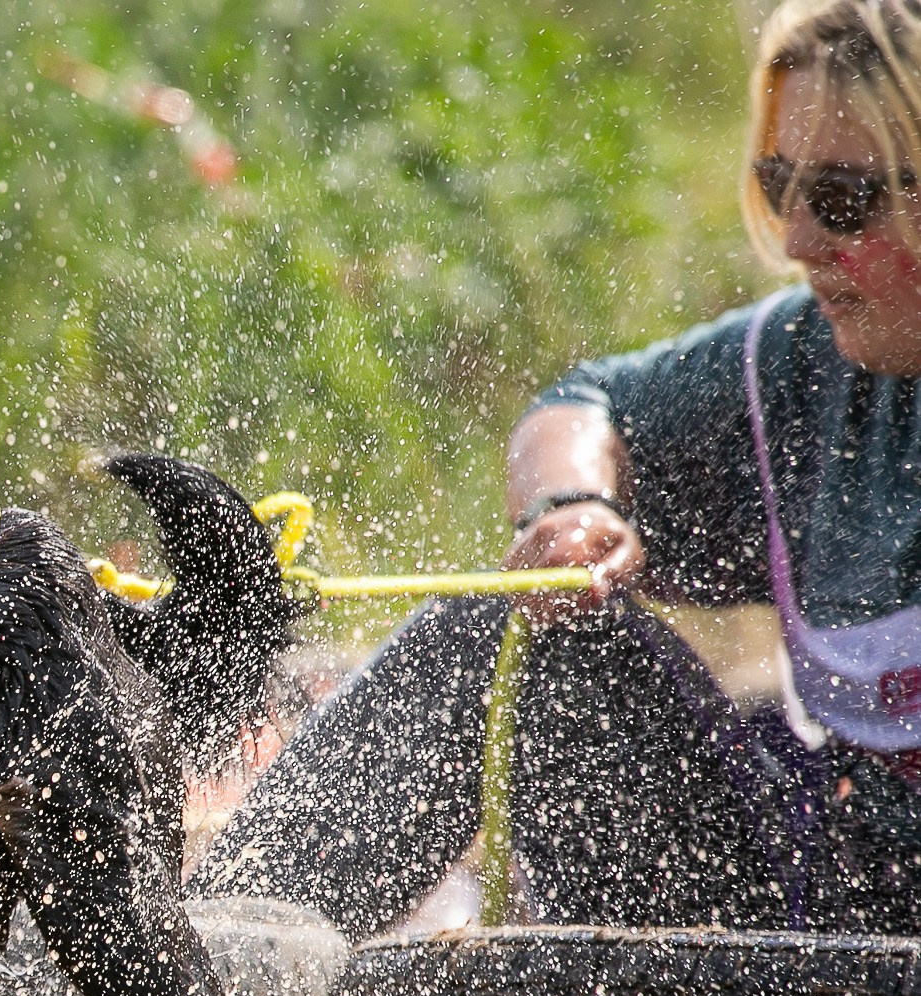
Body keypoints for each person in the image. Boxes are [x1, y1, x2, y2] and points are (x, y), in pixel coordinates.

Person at [191, 0, 921, 939]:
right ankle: (204, 958)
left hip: (883, 992)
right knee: (529, 624)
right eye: (781, 187)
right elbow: (581, 403)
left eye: (845, 200)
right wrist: (572, 507)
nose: (798, 242)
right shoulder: (802, 362)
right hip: (799, 922)